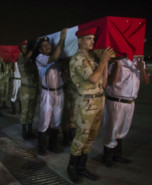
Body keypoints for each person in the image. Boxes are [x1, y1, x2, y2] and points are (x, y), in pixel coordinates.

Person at [66, 27, 115, 183]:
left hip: (99, 100)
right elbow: (93, 79)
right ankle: (72, 167)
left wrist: (105, 63)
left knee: (91, 137)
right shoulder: (78, 58)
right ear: (79, 40)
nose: (92, 41)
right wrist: (103, 61)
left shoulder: (92, 58)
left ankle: (82, 166)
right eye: (89, 38)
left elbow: (104, 82)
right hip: (87, 103)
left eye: (93, 39)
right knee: (81, 137)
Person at [102, 56, 150, 168]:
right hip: (116, 100)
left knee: (123, 129)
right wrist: (117, 66)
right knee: (112, 129)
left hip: (130, 102)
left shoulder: (140, 62)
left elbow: (146, 81)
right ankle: (107, 157)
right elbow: (110, 82)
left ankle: (117, 154)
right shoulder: (116, 61)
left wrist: (141, 68)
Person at [35, 28, 67, 155]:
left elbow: (63, 77)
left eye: (48, 44)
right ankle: (42, 148)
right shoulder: (40, 58)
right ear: (40, 50)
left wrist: (65, 73)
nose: (47, 46)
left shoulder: (58, 60)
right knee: (44, 122)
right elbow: (53, 57)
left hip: (59, 92)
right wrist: (62, 39)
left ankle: (53, 146)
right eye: (44, 45)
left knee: (56, 121)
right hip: (47, 94)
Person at [17, 40, 38, 140]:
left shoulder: (32, 60)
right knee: (25, 111)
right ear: (21, 49)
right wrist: (34, 48)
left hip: (33, 88)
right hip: (25, 88)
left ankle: (30, 130)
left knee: (31, 111)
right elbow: (25, 60)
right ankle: (24, 131)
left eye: (26, 47)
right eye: (23, 47)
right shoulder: (21, 58)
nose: (25, 49)